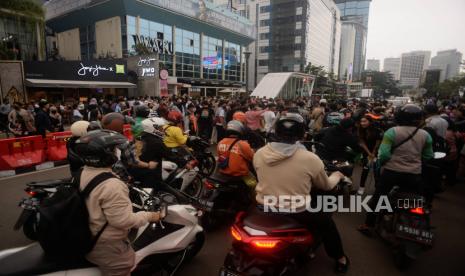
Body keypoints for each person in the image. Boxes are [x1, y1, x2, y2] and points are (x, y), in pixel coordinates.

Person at [253, 113, 349, 273]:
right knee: (327, 224)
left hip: (263, 206)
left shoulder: (260, 153)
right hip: (297, 210)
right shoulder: (310, 158)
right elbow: (325, 186)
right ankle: (340, 257)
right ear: (302, 134)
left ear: (275, 132)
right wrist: (337, 175)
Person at [74, 130, 162, 276]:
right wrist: (150, 216)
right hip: (107, 247)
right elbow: (124, 221)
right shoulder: (112, 185)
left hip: (87, 236)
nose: (118, 152)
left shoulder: (82, 172)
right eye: (115, 150)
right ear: (107, 154)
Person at [358, 104, 433, 234]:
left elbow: (384, 154)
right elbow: (428, 156)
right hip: (414, 174)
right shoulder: (426, 135)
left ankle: (368, 225)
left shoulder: (392, 132)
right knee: (415, 201)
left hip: (391, 172)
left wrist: (384, 163)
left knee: (378, 199)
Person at [128, 117, 166, 188]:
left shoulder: (139, 139)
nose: (162, 130)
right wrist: (147, 165)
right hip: (133, 173)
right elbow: (134, 160)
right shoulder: (154, 141)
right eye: (160, 128)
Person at [217, 120, 255, 186]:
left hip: (223, 173)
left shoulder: (220, 142)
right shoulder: (243, 144)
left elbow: (220, 157)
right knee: (254, 185)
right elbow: (252, 158)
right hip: (240, 175)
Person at [356, 115, 383, 195]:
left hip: (376, 152)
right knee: (365, 170)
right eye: (361, 121)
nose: (362, 123)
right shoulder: (361, 130)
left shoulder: (376, 130)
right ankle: (361, 187)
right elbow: (362, 143)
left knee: (376, 171)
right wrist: (369, 154)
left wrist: (374, 153)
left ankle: (377, 189)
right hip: (366, 153)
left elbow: (378, 142)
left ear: (370, 122)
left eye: (364, 121)